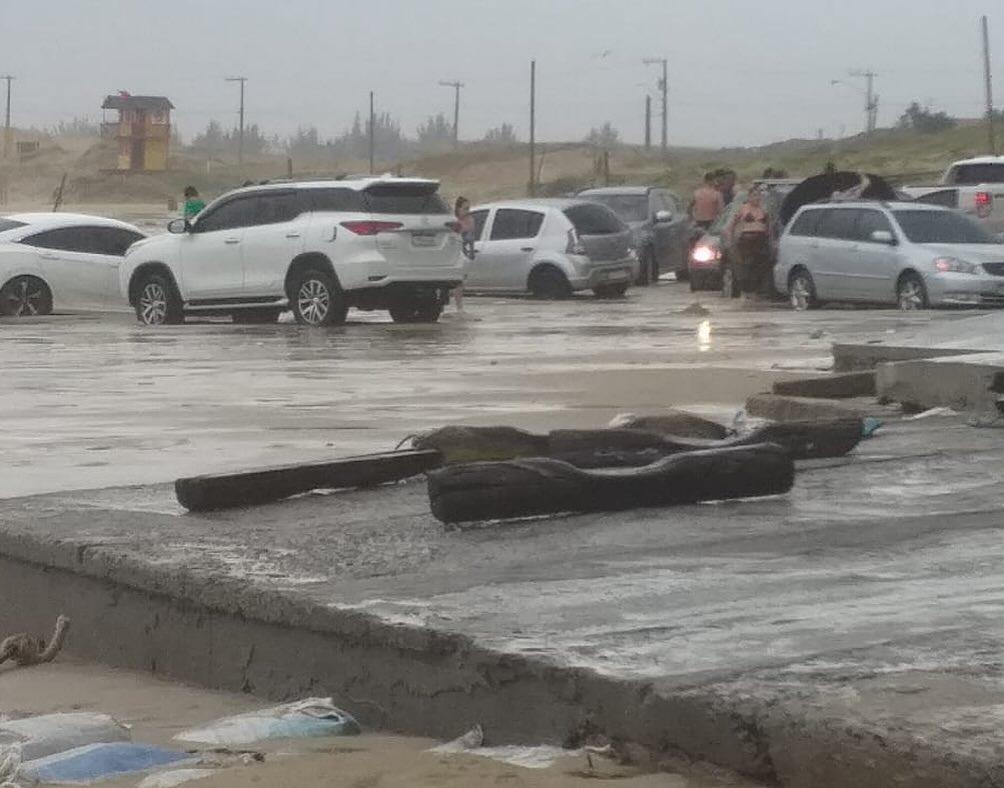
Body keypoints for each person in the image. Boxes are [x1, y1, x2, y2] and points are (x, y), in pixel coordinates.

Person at [727, 188, 772, 299]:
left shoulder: (763, 210)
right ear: (749, 197)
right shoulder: (743, 209)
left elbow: (769, 226)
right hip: (746, 240)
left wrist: (769, 237)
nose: (756, 198)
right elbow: (732, 225)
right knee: (746, 265)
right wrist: (731, 239)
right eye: (754, 195)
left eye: (758, 196)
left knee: (759, 265)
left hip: (760, 240)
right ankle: (745, 290)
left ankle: (755, 290)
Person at [453, 196, 475, 313]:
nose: (467, 211)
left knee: (461, 280)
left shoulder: (470, 220)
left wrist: (472, 251)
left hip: (464, 252)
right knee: (456, 280)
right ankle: (457, 306)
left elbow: (471, 238)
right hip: (454, 252)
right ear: (458, 209)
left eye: (469, 208)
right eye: (465, 209)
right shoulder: (453, 221)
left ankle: (459, 306)